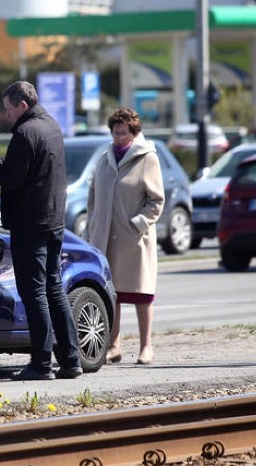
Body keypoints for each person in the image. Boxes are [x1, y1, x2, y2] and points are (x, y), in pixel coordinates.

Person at [0, 80, 83, 381]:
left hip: (31, 224)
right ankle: (71, 360)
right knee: (54, 289)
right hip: (54, 221)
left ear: (22, 106)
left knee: (34, 294)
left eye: (8, 109)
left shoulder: (25, 132)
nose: (6, 116)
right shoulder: (51, 126)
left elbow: (13, 177)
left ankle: (41, 364)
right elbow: (26, 169)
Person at [85, 106, 164, 365]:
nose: (118, 136)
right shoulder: (104, 157)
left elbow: (156, 200)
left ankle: (146, 347)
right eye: (115, 132)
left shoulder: (147, 157)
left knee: (142, 294)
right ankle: (114, 345)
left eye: (123, 132)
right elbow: (93, 198)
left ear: (134, 132)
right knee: (112, 295)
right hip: (105, 237)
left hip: (134, 240)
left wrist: (138, 224)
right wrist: (91, 230)